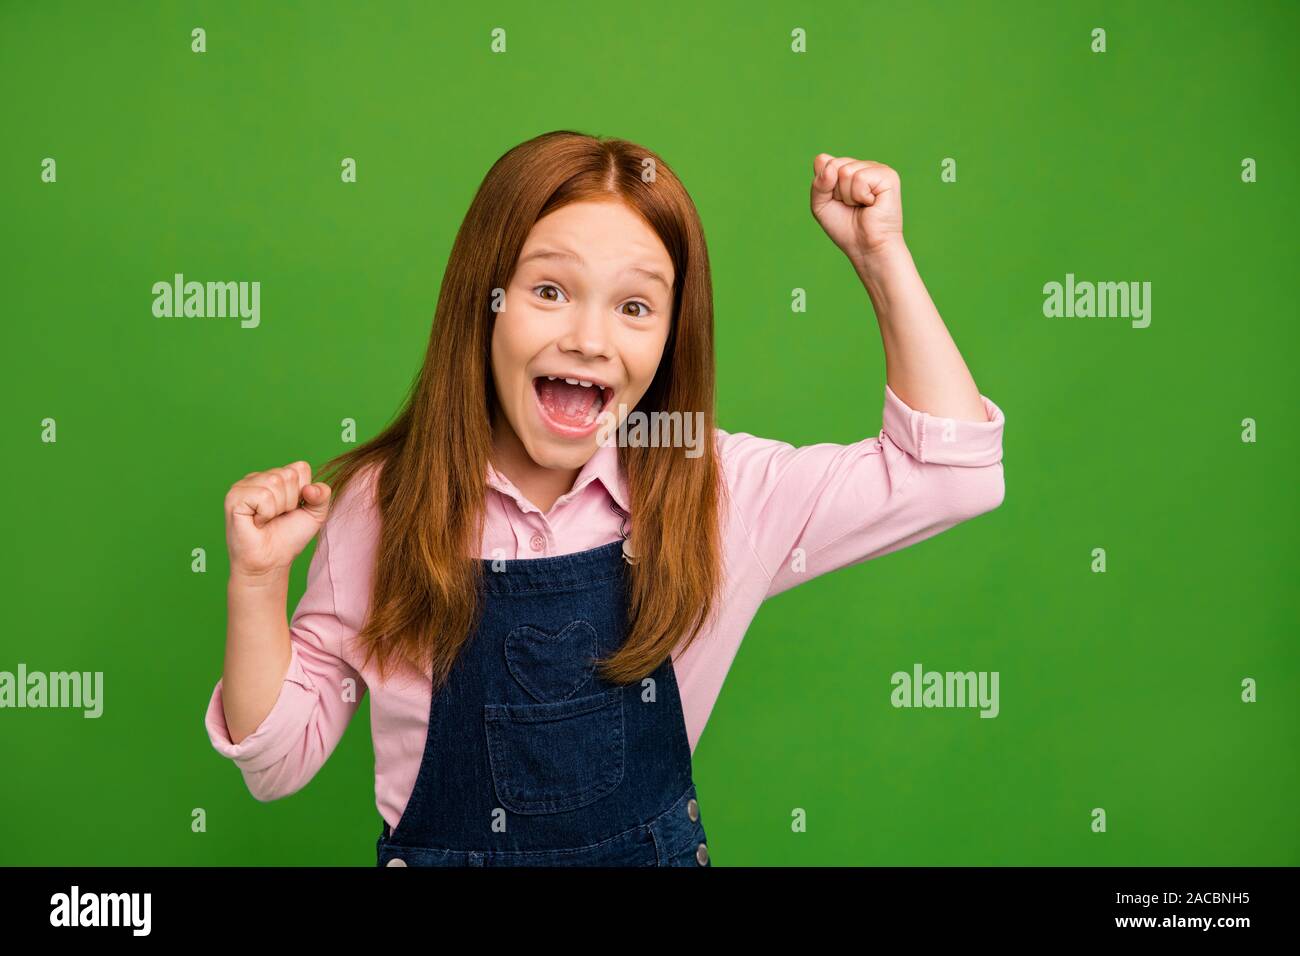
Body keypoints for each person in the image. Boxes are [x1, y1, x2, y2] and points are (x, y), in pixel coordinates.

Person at [205, 130, 1006, 866]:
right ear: (483, 301)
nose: (590, 338)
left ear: (669, 336)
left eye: (634, 307)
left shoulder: (713, 489)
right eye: (549, 290)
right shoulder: (383, 505)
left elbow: (952, 474)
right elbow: (277, 765)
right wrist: (257, 582)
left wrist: (881, 258)